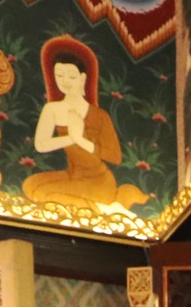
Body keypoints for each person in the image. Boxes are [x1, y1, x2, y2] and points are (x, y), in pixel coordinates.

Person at [22, 37, 151, 214]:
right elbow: (41, 145)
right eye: (59, 75)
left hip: (99, 181)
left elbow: (115, 156)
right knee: (30, 186)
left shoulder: (99, 116)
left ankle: (101, 208)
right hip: (72, 175)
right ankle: (100, 208)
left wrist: (80, 140)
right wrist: (70, 138)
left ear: (82, 78)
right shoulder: (52, 109)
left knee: (45, 194)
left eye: (71, 76)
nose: (65, 81)